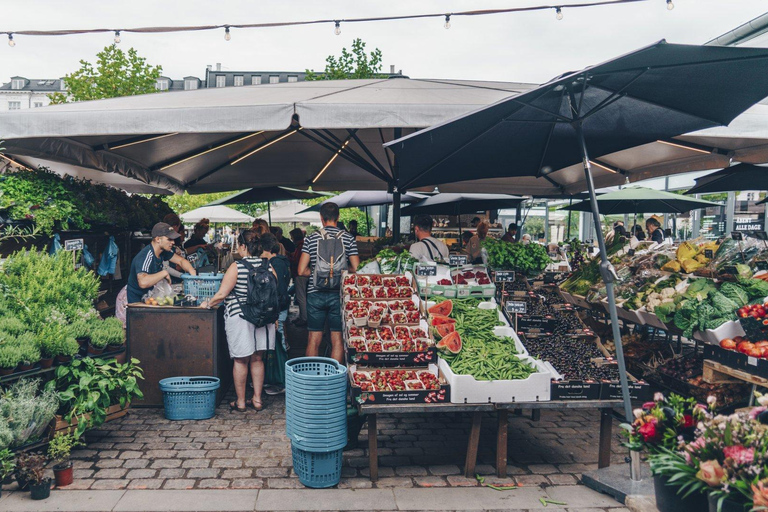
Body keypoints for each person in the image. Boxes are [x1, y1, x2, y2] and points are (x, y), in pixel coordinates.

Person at [200, 230, 276, 413]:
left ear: (243, 246)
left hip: (240, 317)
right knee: (258, 358)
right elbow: (274, 294)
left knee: (241, 360)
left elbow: (222, 294)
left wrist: (207, 303)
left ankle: (241, 401)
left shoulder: (237, 266)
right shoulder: (269, 266)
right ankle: (257, 400)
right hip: (263, 319)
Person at [298, 202, 359, 363]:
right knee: (337, 338)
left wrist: (318, 274)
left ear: (321, 218)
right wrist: (340, 272)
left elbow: (301, 270)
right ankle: (334, 380)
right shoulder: (348, 238)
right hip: (338, 294)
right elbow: (356, 267)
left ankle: (311, 377)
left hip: (315, 293)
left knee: (314, 337)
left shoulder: (311, 238)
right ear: (338, 217)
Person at [127, 223, 196, 304]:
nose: (173, 242)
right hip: (137, 300)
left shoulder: (163, 252)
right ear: (158, 239)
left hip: (150, 296)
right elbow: (143, 282)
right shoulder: (146, 256)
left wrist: (193, 274)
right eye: (169, 239)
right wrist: (164, 273)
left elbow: (181, 261)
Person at [259, 232, 291, 395]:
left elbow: (277, 290)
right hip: (280, 306)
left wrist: (276, 313)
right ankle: (274, 378)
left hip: (279, 308)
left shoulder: (275, 263)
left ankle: (283, 380)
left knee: (279, 343)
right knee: (276, 343)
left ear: (265, 249)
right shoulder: (280, 261)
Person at [289, 228, 308, 327]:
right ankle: (302, 317)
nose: (291, 239)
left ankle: (304, 318)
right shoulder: (301, 245)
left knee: (301, 297)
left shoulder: (301, 246)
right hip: (301, 275)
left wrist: (289, 256)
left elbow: (297, 260)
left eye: (292, 237)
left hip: (300, 275)